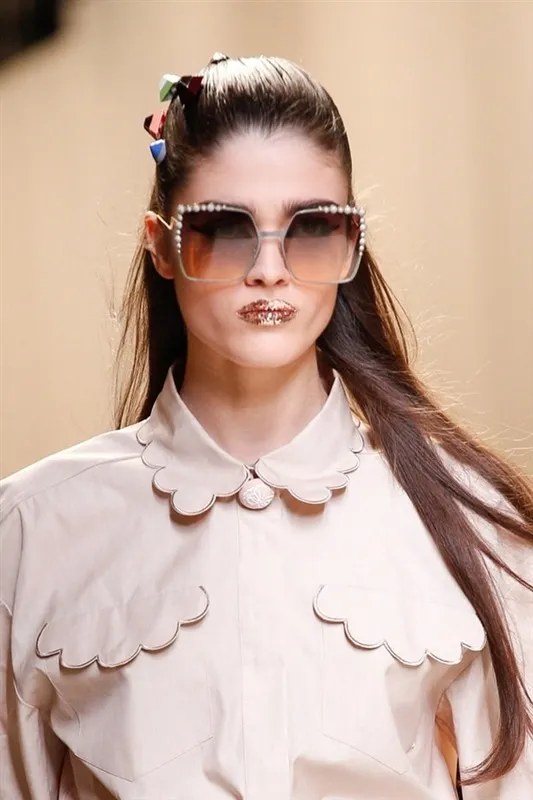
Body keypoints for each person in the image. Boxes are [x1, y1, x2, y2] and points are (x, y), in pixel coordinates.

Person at [0, 52, 532, 800]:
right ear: (160, 244)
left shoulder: (467, 516)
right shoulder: (30, 530)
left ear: (351, 243)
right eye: (225, 228)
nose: (270, 270)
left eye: (311, 227)